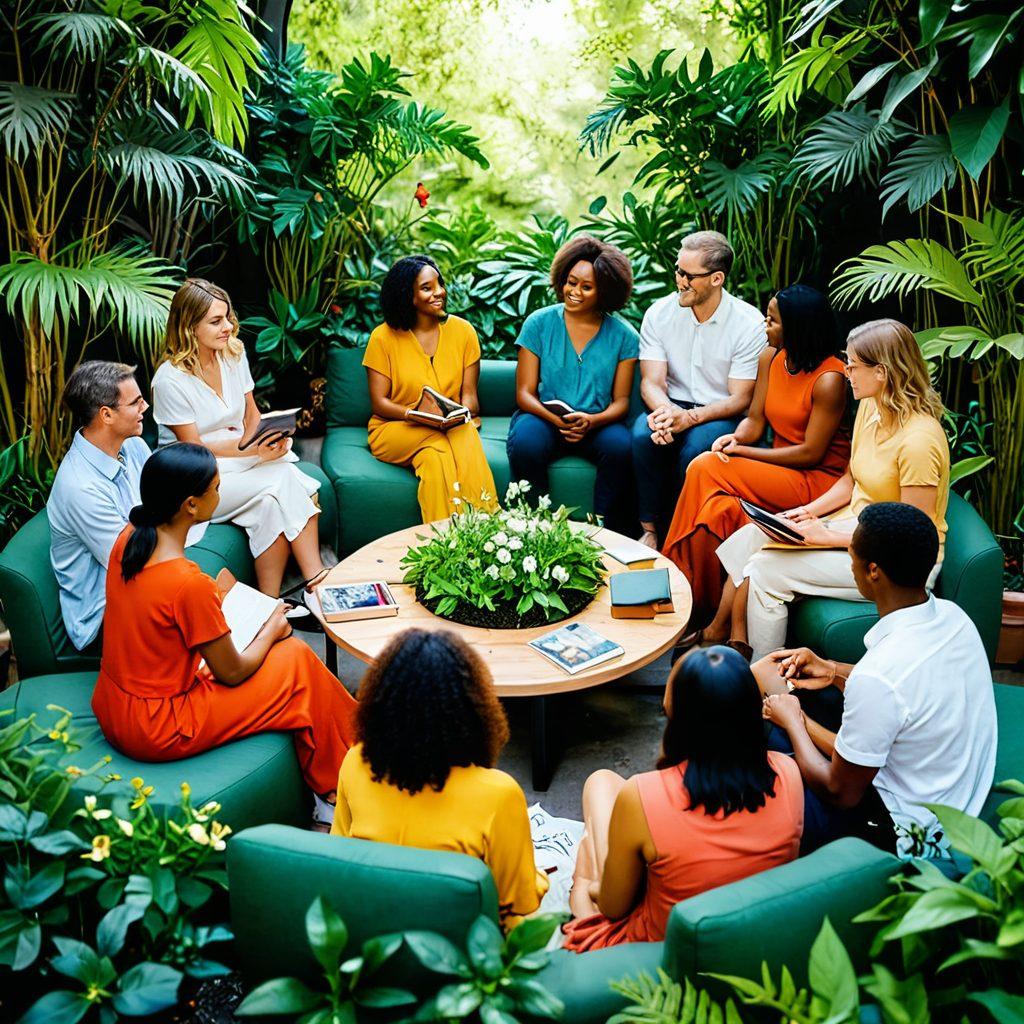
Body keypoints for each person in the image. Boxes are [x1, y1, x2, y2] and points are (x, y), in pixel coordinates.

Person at [91, 443, 358, 827]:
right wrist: (272, 628)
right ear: (191, 505)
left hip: (114, 704)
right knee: (296, 660)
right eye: (216, 488)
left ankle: (354, 750)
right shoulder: (186, 583)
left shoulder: (127, 540)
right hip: (159, 724)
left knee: (272, 641)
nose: (221, 493)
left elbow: (156, 616)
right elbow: (232, 672)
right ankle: (339, 783)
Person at [757, 503, 996, 856]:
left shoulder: (878, 677)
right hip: (953, 788)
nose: (849, 561)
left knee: (766, 740)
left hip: (903, 830)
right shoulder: (954, 617)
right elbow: (905, 690)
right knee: (802, 702)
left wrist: (795, 720)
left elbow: (839, 790)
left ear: (873, 571)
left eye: (851, 553)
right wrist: (833, 670)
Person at [716, 318, 950, 661]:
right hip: (857, 525)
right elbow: (851, 480)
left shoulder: (919, 441)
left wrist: (828, 537)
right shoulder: (871, 405)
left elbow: (911, 536)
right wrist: (807, 512)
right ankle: (725, 636)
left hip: (898, 562)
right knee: (750, 536)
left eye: (852, 366)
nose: (845, 372)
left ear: (882, 372)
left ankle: (765, 679)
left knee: (766, 572)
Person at [563, 646, 802, 951]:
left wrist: (593, 884)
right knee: (602, 782)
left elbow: (614, 907)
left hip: (667, 949)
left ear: (679, 719)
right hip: (748, 933)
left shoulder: (643, 794)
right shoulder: (788, 772)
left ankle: (582, 885)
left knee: (589, 861)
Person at [331, 628, 547, 930]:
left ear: (380, 703)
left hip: (373, 930)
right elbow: (520, 902)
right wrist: (538, 878)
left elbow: (338, 856)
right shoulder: (499, 794)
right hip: (463, 942)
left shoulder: (354, 761)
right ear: (473, 710)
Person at [662, 285, 849, 634]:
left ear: (797, 327)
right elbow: (755, 420)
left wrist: (743, 452)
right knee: (718, 510)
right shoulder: (771, 358)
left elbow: (811, 453)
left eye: (772, 321)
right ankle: (697, 609)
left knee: (705, 465)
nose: (765, 325)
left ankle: (668, 577)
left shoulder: (830, 379)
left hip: (816, 480)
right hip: (778, 470)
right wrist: (737, 437)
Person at [152, 279, 327, 616]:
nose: (228, 327)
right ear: (189, 327)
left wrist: (267, 437)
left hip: (238, 458)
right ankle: (317, 581)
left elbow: (251, 415)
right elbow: (194, 448)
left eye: (228, 317)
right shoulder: (168, 380)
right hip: (195, 476)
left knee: (270, 506)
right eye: (216, 321)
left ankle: (270, 606)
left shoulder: (233, 353)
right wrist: (252, 449)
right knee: (286, 480)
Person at [48, 361, 204, 650]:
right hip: (104, 615)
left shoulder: (132, 445)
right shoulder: (80, 488)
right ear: (106, 415)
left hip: (142, 570)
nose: (145, 407)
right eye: (135, 402)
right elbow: (133, 563)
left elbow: (162, 505)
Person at [632, 231, 766, 548]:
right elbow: (651, 382)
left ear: (717, 278)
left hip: (722, 412)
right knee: (643, 436)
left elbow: (740, 398)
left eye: (689, 276)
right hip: (670, 402)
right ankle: (650, 531)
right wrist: (667, 413)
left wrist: (689, 419)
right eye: (678, 270)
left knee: (696, 451)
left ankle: (683, 540)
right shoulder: (659, 313)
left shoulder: (748, 323)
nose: (680, 281)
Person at [505, 235, 639, 532]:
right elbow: (524, 394)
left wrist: (592, 421)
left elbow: (621, 402)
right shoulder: (538, 323)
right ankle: (532, 526)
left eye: (586, 287)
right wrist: (557, 420)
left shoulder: (625, 336)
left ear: (605, 292)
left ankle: (606, 529)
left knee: (620, 447)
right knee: (526, 442)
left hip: (597, 423)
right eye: (570, 282)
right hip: (544, 417)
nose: (574, 292)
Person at [363, 255, 498, 522]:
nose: (439, 292)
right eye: (427, 288)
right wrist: (417, 415)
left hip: (450, 425)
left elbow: (470, 398)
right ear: (407, 296)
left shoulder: (464, 332)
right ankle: (486, 523)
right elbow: (379, 403)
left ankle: (454, 536)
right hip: (396, 428)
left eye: (439, 284)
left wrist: (457, 413)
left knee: (437, 456)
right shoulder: (382, 338)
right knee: (439, 442)